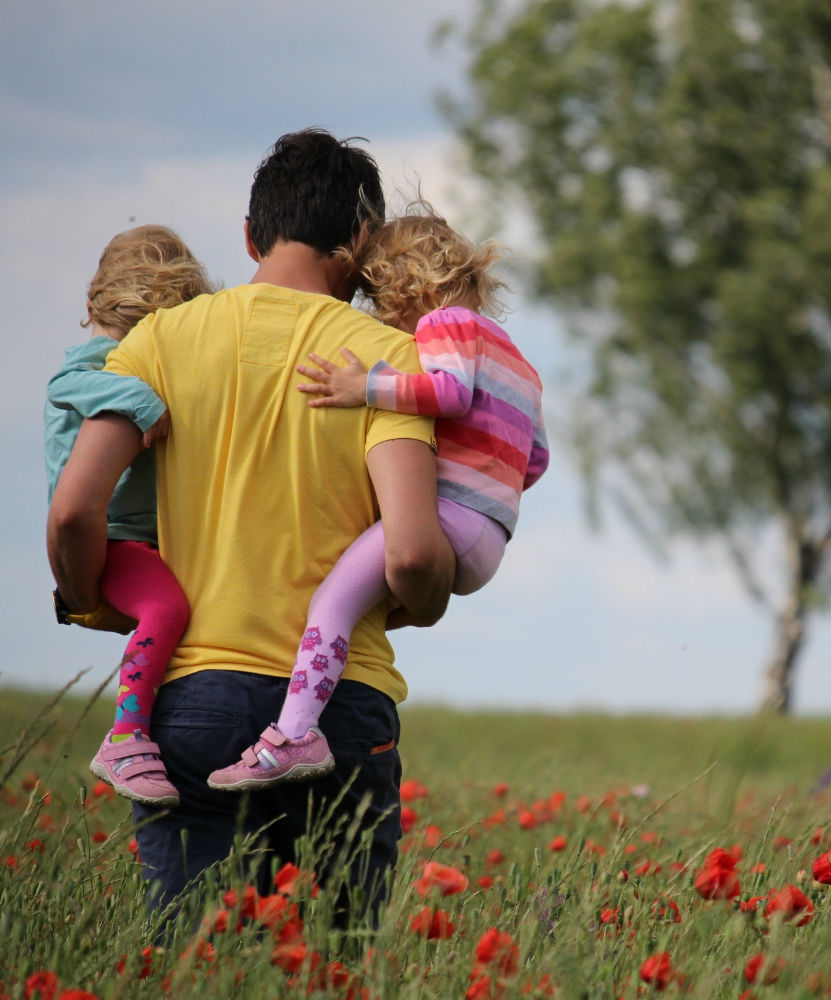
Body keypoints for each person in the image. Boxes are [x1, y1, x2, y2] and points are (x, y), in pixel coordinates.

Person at [47, 129, 455, 926]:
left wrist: (89, 596)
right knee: (333, 968)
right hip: (339, 708)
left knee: (198, 961)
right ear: (363, 241)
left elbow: (72, 510)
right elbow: (410, 552)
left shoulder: (160, 341)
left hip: (192, 700)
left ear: (249, 234)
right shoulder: (387, 362)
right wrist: (428, 596)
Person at [207, 204, 549, 790]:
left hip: (450, 518)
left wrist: (364, 386)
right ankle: (310, 707)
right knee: (359, 608)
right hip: (491, 534)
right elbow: (535, 459)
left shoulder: (446, 325)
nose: (382, 315)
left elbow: (448, 393)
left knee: (330, 603)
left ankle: (294, 735)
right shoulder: (519, 361)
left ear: (408, 285)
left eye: (381, 298)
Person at [45, 225, 215, 806]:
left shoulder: (126, 355)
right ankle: (126, 735)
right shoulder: (98, 363)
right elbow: (67, 383)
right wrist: (142, 400)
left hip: (142, 539)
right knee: (167, 607)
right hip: (113, 538)